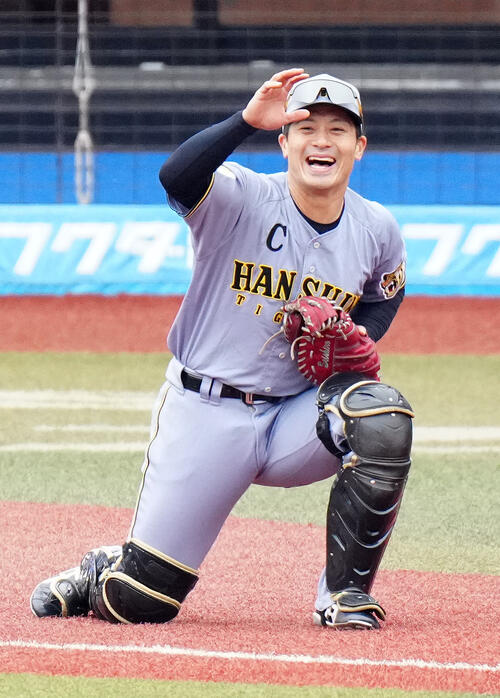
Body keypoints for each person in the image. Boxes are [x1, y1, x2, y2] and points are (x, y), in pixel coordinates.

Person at [31, 68, 413, 629]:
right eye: (307, 128)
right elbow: (176, 176)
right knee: (142, 603)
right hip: (205, 410)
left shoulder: (376, 227)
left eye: (338, 130)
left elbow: (386, 293)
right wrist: (243, 122)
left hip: (293, 416)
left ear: (359, 146)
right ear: (284, 142)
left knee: (381, 415)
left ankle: (344, 595)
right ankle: (103, 568)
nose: (323, 141)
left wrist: (357, 337)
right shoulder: (240, 195)